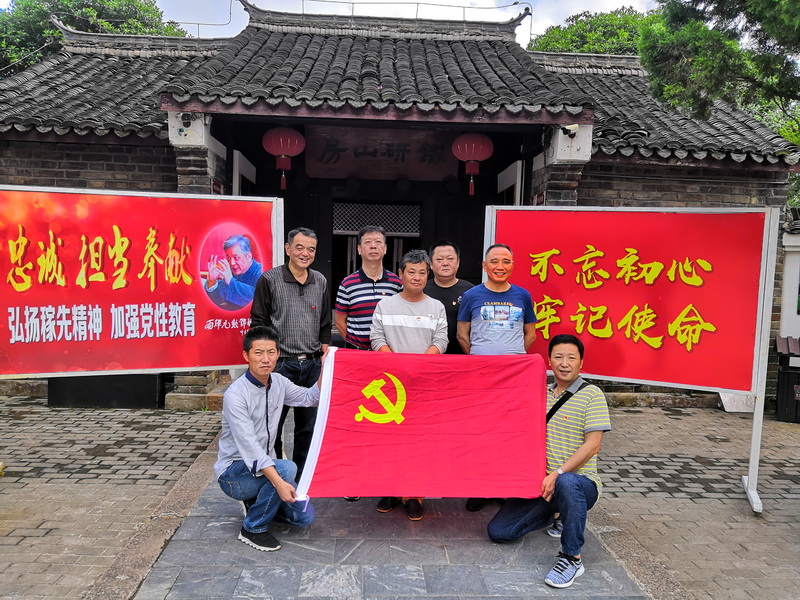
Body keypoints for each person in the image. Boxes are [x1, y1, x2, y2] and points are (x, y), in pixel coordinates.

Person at [487, 334, 611, 589]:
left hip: (581, 484)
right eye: (558, 357)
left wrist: (558, 473)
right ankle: (558, 514)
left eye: (571, 358)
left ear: (581, 362)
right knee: (500, 532)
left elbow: (593, 445)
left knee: (567, 482)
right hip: (543, 487)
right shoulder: (541, 393)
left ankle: (572, 558)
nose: (564, 363)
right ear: (549, 361)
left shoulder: (592, 394)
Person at [214, 326, 323, 552]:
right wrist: (280, 484)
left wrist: (326, 367)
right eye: (259, 353)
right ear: (246, 356)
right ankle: (253, 527)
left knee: (304, 516)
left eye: (271, 352)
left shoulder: (279, 382)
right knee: (286, 469)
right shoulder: (236, 395)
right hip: (234, 474)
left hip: (266, 469)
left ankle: (257, 502)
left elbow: (309, 398)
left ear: (278, 354)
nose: (266, 359)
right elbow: (251, 449)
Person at [457, 243, 537, 512]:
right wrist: (481, 360)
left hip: (514, 379)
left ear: (512, 265)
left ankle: (503, 487)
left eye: (505, 261)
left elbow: (530, 334)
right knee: (481, 431)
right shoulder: (471, 296)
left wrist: (512, 360)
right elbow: (462, 334)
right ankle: (480, 488)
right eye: (494, 261)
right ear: (484, 265)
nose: (500, 266)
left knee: (507, 432)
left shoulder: (523, 296)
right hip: (481, 377)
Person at [370, 249, 448, 520]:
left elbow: (441, 340)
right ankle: (390, 490)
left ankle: (414, 494)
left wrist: (420, 365)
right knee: (390, 439)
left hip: (425, 385)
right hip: (391, 384)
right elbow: (376, 338)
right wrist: (397, 365)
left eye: (422, 273)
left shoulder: (436, 307)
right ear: (400, 274)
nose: (417, 277)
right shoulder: (385, 305)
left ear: (428, 275)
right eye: (411, 272)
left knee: (419, 440)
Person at [250, 227, 330, 480]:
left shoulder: (320, 280)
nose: (305, 253)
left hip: (312, 364)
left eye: (311, 249)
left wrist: (325, 356)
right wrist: (267, 358)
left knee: (308, 427)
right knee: (272, 426)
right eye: (299, 247)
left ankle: (302, 477)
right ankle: (274, 476)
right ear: (288, 249)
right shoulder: (269, 279)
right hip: (280, 365)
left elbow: (325, 323)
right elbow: (259, 321)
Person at [335, 226, 403, 350]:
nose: (373, 246)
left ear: (385, 248)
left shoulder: (397, 283)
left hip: (388, 353)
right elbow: (339, 322)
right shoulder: (347, 284)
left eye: (378, 242)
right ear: (359, 249)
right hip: (357, 354)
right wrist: (355, 344)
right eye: (367, 242)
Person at [423, 241, 474, 354]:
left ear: (458, 262)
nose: (445, 263)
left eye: (450, 259)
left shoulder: (470, 291)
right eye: (439, 259)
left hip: (461, 356)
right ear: (431, 264)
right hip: (428, 355)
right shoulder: (422, 290)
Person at [205, 234, 262, 310]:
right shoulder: (232, 272)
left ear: (248, 256)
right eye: (228, 258)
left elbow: (258, 299)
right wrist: (212, 281)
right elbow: (218, 299)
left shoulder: (261, 272)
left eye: (236, 257)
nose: (232, 263)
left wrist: (231, 281)